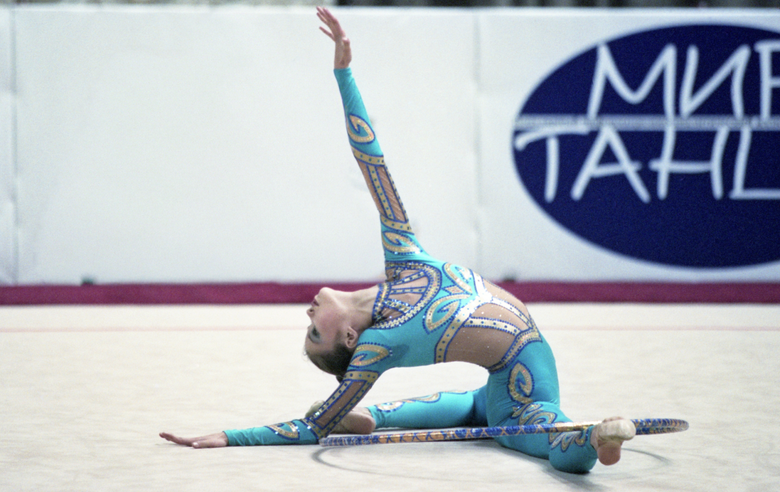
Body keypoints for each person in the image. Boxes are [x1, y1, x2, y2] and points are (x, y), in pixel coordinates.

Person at [160, 7, 635, 474]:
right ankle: (589, 441)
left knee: (466, 406)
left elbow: (372, 162)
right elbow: (315, 425)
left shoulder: (403, 259)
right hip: (524, 381)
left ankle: (369, 419)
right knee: (532, 428)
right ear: (350, 337)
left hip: (503, 377)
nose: (308, 314)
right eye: (314, 331)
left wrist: (344, 74)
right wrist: (231, 436)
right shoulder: (376, 345)